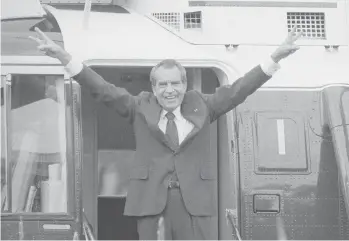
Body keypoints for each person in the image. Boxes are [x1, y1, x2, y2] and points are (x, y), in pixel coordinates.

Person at [30, 26, 301, 240]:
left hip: (194, 205)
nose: (169, 90)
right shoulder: (139, 107)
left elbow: (240, 90)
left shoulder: (203, 106)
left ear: (184, 84)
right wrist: (64, 57)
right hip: (151, 204)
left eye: (174, 83)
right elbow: (102, 89)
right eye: (162, 84)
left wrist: (275, 57)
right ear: (153, 86)